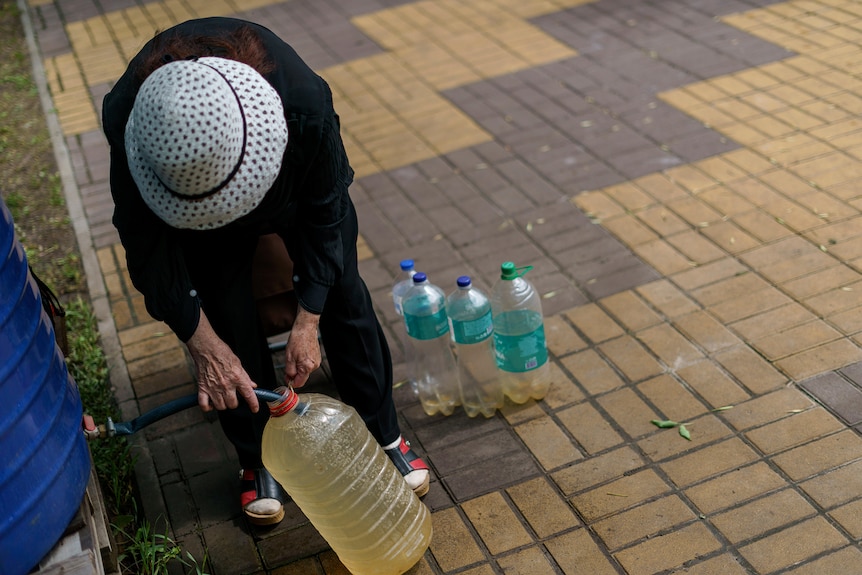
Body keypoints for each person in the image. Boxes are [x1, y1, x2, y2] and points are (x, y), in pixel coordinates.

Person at [102, 17, 430, 526]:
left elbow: (327, 213)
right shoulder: (130, 119)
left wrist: (308, 319)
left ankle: (382, 428)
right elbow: (148, 250)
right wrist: (201, 342)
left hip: (292, 191)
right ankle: (256, 457)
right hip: (195, 220)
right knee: (224, 312)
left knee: (341, 291)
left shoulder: (300, 98)